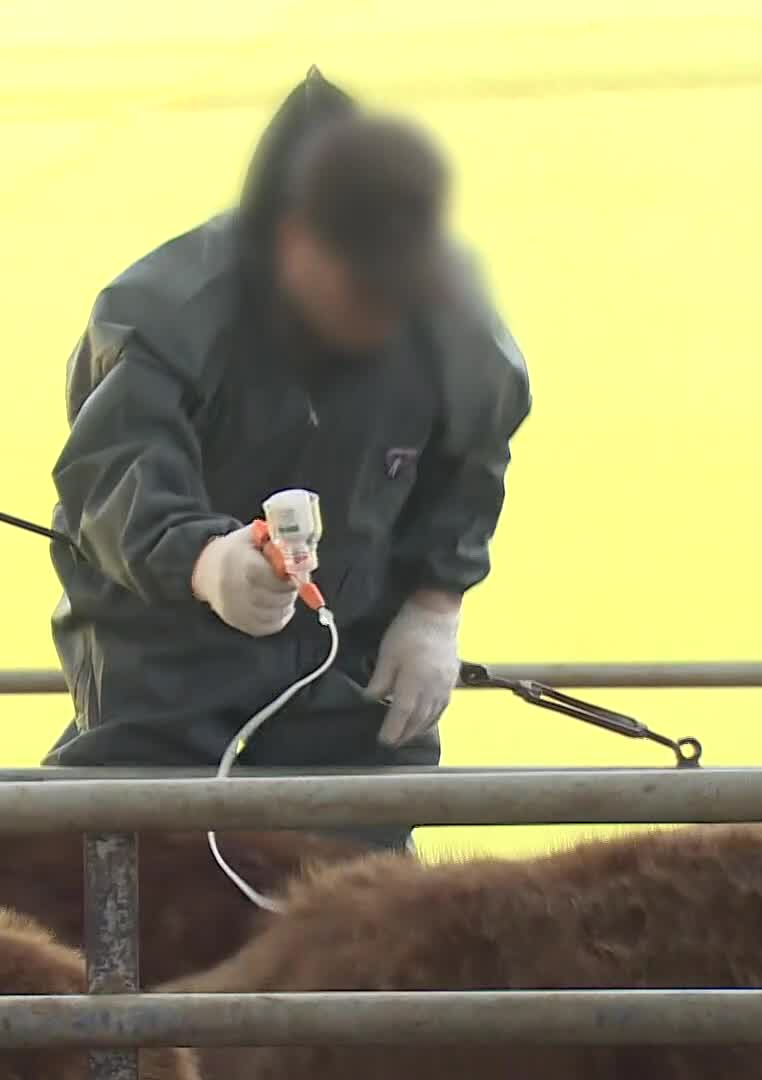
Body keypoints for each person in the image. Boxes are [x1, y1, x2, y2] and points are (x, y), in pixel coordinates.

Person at [40, 67, 532, 851]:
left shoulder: (451, 322)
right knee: (136, 916)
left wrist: (438, 607)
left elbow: (477, 448)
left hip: (357, 709)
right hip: (163, 711)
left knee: (366, 941)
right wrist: (205, 562)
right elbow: (114, 472)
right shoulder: (161, 315)